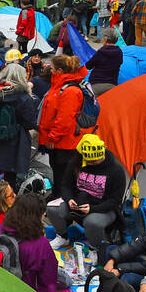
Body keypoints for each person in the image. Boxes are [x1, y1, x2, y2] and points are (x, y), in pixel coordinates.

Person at [46, 134, 127, 263]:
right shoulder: (76, 163)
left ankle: (93, 248)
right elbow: (66, 185)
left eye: (96, 161)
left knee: (92, 222)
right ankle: (62, 236)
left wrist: (93, 209)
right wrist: (69, 199)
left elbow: (115, 200)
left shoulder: (116, 171)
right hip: (79, 203)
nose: (94, 163)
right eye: (90, 161)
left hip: (104, 209)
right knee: (52, 208)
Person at [0, 62, 40, 188]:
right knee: (10, 178)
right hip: (15, 140)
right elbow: (29, 123)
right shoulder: (24, 97)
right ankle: (6, 204)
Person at [37, 54, 89, 193]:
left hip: (64, 142)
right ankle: (58, 196)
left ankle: (61, 200)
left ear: (60, 71)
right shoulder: (60, 86)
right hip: (60, 141)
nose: (50, 70)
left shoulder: (70, 90)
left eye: (52, 68)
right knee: (59, 173)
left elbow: (64, 120)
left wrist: (52, 137)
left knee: (63, 175)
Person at [0, 191, 59, 292]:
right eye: (43, 213)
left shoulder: (1, 229)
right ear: (37, 216)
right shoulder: (41, 244)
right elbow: (48, 281)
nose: (44, 215)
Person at [86, 29, 123, 97]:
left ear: (105, 40)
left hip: (96, 84)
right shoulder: (119, 52)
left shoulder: (101, 52)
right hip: (112, 84)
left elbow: (88, 65)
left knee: (92, 105)